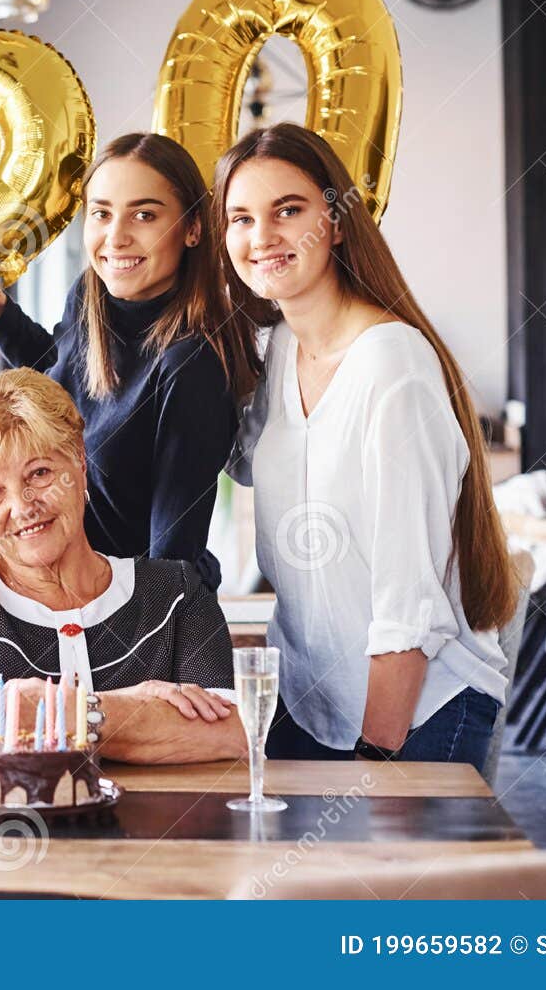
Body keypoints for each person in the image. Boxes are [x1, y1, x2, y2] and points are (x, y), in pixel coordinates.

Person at [220, 122, 517, 771]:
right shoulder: (281, 355)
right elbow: (242, 465)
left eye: (287, 210)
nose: (261, 236)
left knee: (379, 876)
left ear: (336, 221)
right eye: (240, 218)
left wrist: (375, 757)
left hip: (415, 714)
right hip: (307, 702)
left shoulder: (393, 366)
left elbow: (408, 605)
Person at [0, 368, 246, 770]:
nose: (22, 507)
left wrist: (75, 712)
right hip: (2, 831)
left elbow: (231, 732)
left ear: (80, 463)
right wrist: (131, 714)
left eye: (39, 473)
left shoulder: (175, 593)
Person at [0, 133, 257, 589]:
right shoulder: (90, 297)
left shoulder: (191, 365)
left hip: (130, 619)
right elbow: (58, 376)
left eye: (144, 215)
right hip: (63, 597)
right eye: (101, 213)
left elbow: (171, 564)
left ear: (192, 228)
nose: (116, 237)